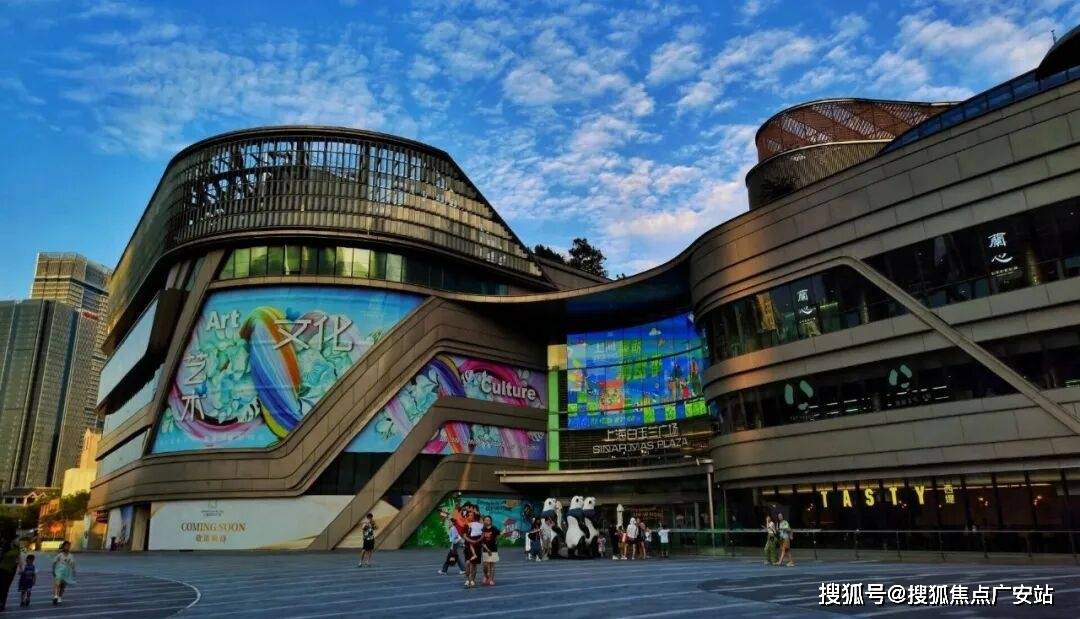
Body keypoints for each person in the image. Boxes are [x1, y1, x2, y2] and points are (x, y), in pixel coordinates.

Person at [51, 541, 76, 605]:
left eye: (68, 546)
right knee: (57, 584)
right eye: (66, 546)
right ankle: (55, 596)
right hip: (59, 572)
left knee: (63, 586)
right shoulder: (60, 555)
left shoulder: (71, 556)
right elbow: (54, 562)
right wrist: (53, 570)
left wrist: (73, 571)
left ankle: (60, 597)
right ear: (63, 547)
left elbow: (73, 564)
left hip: (66, 573)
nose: (67, 547)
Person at [462, 514, 484, 588]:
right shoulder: (467, 525)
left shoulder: (480, 526)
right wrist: (473, 541)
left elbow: (483, 535)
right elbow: (464, 535)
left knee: (472, 564)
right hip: (470, 547)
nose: (470, 517)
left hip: (475, 547)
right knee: (469, 563)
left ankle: (471, 580)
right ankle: (469, 580)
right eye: (470, 515)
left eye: (472, 515)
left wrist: (476, 541)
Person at [480, 515, 500, 586]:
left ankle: (491, 579)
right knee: (485, 566)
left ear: (491, 521)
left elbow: (498, 535)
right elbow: (482, 542)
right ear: (484, 521)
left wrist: (496, 541)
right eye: (485, 520)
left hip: (493, 550)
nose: (487, 521)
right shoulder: (482, 529)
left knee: (492, 566)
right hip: (485, 550)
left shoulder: (494, 529)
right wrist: (487, 549)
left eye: (488, 520)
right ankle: (486, 576)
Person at [0, 540, 19, 612]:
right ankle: (2, 603)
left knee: (4, 588)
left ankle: (2, 604)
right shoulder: (13, 550)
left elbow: (8, 555)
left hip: (7, 571)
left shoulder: (15, 551)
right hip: (6, 571)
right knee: (4, 588)